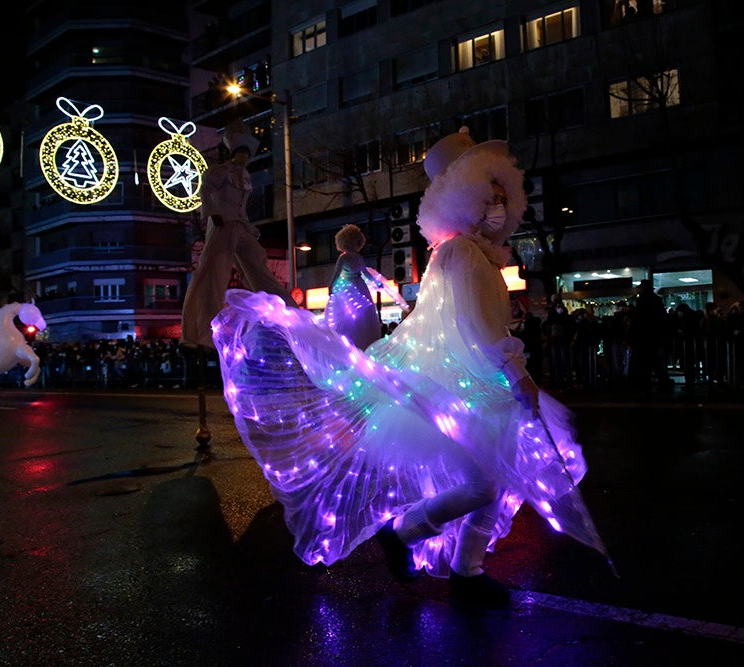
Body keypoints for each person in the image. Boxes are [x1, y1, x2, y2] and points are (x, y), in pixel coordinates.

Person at [211, 127, 609, 609]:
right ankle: (405, 532)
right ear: (465, 198)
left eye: (503, 196)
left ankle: (469, 572)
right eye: (489, 196)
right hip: (463, 389)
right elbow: (479, 327)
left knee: (498, 480)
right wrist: (517, 373)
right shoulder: (461, 252)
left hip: (482, 386)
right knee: (483, 481)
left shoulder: (474, 252)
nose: (498, 206)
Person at [181, 121, 294, 349]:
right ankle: (198, 329)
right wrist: (212, 215)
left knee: (258, 263)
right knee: (213, 272)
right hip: (222, 225)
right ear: (234, 153)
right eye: (241, 153)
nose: (244, 158)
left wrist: (249, 228)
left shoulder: (245, 176)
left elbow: (241, 207)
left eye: (247, 155)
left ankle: (286, 310)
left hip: (239, 226)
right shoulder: (218, 171)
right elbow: (205, 191)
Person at [325, 224, 407, 350]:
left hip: (358, 286)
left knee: (362, 316)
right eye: (356, 241)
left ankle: (364, 343)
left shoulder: (357, 257)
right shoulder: (344, 257)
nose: (359, 244)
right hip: (349, 288)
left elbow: (365, 273)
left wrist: (376, 282)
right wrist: (331, 287)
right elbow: (337, 272)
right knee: (350, 318)